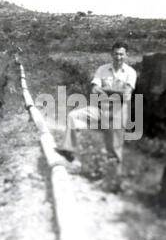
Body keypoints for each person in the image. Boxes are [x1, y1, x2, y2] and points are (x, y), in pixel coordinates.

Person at [55, 42, 137, 172]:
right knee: (73, 116)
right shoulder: (102, 69)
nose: (118, 57)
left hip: (118, 111)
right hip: (100, 108)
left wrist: (105, 90)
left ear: (126, 55)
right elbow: (94, 89)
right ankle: (68, 151)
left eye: (121, 54)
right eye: (116, 54)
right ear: (111, 54)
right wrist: (116, 91)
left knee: (114, 146)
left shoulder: (130, 72)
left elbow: (127, 94)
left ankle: (114, 177)